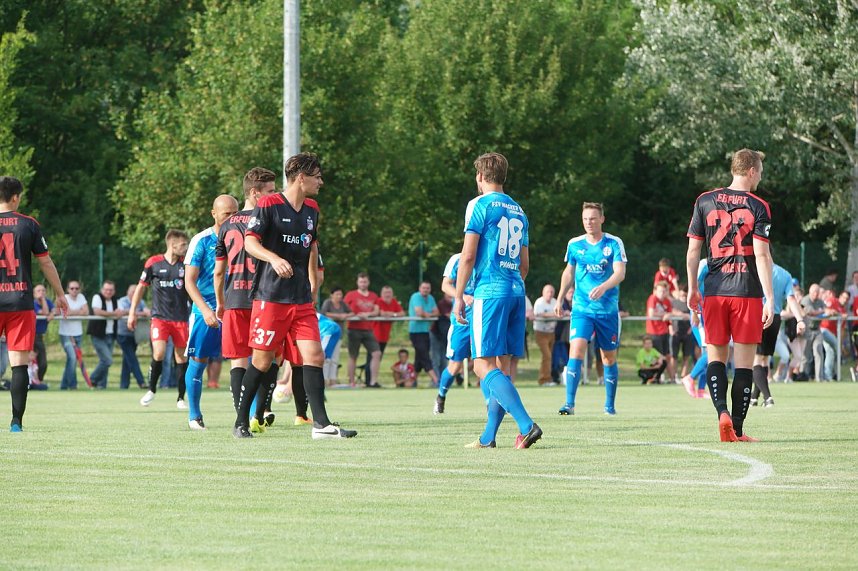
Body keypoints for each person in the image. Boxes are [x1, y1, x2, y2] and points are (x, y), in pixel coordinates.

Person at [233, 152, 355, 439]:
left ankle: (321, 425)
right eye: (317, 176)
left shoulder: (312, 209)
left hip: (300, 299)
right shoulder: (269, 204)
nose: (321, 182)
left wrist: (313, 281)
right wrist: (273, 259)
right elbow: (250, 243)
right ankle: (241, 421)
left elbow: (311, 247)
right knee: (262, 362)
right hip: (270, 297)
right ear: (301, 177)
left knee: (314, 354)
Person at [454, 152, 541, 449]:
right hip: (517, 290)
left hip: (490, 292)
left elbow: (467, 255)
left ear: (480, 177)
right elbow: (525, 264)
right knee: (501, 368)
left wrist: (458, 296)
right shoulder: (519, 210)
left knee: (481, 365)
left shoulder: (478, 205)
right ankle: (488, 438)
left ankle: (527, 425)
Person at [687, 148, 774, 442]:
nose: (761, 175)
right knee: (745, 364)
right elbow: (762, 255)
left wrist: (691, 288)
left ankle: (722, 412)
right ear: (750, 170)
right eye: (760, 170)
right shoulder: (759, 206)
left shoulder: (704, 200)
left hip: (713, 291)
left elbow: (692, 251)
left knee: (715, 357)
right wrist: (771, 299)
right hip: (746, 291)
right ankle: (736, 428)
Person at [0, 176, 68, 432]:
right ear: (16, 197)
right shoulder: (28, 224)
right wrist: (60, 293)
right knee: (19, 364)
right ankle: (16, 422)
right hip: (20, 302)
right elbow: (45, 262)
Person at [214, 166, 276, 417]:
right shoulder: (270, 219)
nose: (275, 195)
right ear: (254, 192)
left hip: (235, 299)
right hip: (264, 297)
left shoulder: (226, 225)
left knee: (238, 359)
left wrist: (220, 302)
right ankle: (259, 413)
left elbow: (219, 272)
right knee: (267, 358)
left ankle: (242, 415)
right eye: (270, 191)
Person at [556, 202, 627, 415]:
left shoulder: (614, 243)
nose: (589, 222)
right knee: (576, 350)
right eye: (586, 218)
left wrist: (604, 287)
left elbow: (620, 273)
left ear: (602, 219)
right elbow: (568, 272)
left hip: (607, 311)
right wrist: (560, 298)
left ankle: (609, 406)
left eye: (593, 218)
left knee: (608, 357)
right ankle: (569, 403)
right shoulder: (575, 244)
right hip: (582, 309)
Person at [182, 194, 238, 430]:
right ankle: (194, 415)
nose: (232, 218)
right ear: (214, 214)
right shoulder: (201, 240)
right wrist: (205, 310)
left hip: (237, 307)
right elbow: (189, 281)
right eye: (227, 214)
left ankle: (252, 415)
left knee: (246, 359)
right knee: (199, 359)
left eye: (236, 213)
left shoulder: (245, 238)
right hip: (207, 309)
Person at [128, 229, 191, 408]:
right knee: (159, 352)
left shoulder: (185, 265)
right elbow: (140, 288)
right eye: (183, 245)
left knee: (181, 358)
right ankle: (151, 390)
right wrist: (132, 312)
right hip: (159, 318)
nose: (185, 248)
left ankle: (181, 398)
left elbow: (192, 288)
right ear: (172, 244)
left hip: (180, 318)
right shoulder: (154, 263)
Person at [751, 262, 805, 406]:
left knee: (757, 359)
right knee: (764, 359)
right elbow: (791, 299)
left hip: (759, 315)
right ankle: (754, 397)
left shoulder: (756, 268)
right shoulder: (784, 274)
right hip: (775, 318)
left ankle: (768, 398)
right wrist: (800, 319)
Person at [434, 253, 473, 414]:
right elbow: (445, 285)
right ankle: (441, 396)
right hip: (461, 319)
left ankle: (492, 405)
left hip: (484, 316)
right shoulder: (457, 259)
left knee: (484, 362)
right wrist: (462, 296)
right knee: (455, 365)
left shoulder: (489, 254)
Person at [344, 273, 382, 387]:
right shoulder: (351, 295)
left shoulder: (373, 296)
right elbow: (343, 308)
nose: (363, 284)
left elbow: (377, 311)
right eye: (361, 282)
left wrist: (367, 314)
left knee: (376, 353)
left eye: (365, 282)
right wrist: (353, 315)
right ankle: (352, 382)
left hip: (368, 329)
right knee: (353, 355)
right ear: (357, 282)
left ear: (368, 282)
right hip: (354, 328)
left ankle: (373, 381)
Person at [87, 280, 121, 389]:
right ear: (102, 290)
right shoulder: (97, 297)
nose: (108, 292)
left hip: (111, 334)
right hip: (97, 334)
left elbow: (122, 312)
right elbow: (97, 311)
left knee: (105, 362)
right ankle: (92, 379)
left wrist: (118, 313)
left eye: (111, 290)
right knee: (108, 360)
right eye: (106, 289)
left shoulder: (116, 300)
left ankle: (102, 385)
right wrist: (113, 314)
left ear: (114, 291)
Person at [368, 285, 404, 383]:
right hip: (375, 334)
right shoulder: (378, 301)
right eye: (385, 293)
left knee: (378, 358)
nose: (387, 295)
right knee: (372, 358)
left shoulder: (394, 302)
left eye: (389, 293)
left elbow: (401, 313)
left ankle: (373, 380)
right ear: (381, 294)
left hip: (384, 336)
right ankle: (369, 381)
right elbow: (381, 313)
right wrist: (390, 313)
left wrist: (392, 314)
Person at [58, 280, 88, 390]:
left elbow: (86, 312)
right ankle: (72, 384)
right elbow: (66, 313)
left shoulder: (81, 297)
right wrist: (77, 311)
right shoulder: (64, 298)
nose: (74, 290)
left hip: (78, 333)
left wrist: (72, 312)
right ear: (67, 289)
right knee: (72, 357)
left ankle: (64, 385)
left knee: (72, 359)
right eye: (72, 288)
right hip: (66, 333)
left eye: (76, 288)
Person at [800, 284, 835, 381]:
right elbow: (810, 312)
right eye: (814, 292)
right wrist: (823, 311)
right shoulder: (805, 300)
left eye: (817, 292)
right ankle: (802, 376)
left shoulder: (820, 302)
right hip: (807, 330)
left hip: (817, 330)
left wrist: (829, 311)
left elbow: (827, 310)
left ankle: (819, 378)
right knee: (806, 356)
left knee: (819, 353)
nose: (815, 294)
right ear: (810, 292)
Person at [116, 284, 148, 389]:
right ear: (127, 292)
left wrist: (133, 312)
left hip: (134, 335)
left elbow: (147, 312)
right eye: (132, 291)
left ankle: (124, 385)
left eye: (136, 292)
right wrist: (139, 313)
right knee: (132, 358)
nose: (134, 294)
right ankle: (141, 381)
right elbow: (121, 312)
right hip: (123, 334)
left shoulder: (141, 302)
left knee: (127, 359)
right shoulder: (122, 301)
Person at [408, 280, 439, 387]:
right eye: (424, 288)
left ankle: (412, 381)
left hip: (425, 331)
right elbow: (419, 312)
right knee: (425, 355)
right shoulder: (415, 297)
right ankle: (436, 380)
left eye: (427, 288)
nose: (426, 290)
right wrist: (430, 315)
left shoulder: (431, 298)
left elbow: (437, 312)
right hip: (415, 331)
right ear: (419, 288)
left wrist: (426, 315)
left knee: (419, 357)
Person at [319, 286, 353, 384]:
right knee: (326, 357)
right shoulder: (328, 303)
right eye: (337, 294)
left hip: (338, 335)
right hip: (327, 334)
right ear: (332, 295)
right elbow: (324, 313)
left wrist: (345, 316)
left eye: (340, 294)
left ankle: (333, 379)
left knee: (335, 358)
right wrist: (338, 316)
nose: (339, 296)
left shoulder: (343, 304)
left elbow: (351, 313)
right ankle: (324, 379)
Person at [646, 281, 674, 381]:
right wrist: (664, 315)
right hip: (654, 332)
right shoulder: (652, 298)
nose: (662, 293)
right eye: (660, 291)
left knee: (668, 356)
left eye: (664, 291)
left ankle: (672, 378)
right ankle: (656, 377)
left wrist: (669, 316)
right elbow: (651, 314)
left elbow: (670, 314)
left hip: (664, 332)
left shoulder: (667, 301)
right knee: (658, 357)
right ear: (656, 291)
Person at [533, 284, 558, 386]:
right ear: (543, 293)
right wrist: (554, 314)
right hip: (541, 332)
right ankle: (544, 379)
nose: (550, 294)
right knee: (547, 355)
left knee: (548, 357)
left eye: (552, 292)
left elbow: (559, 312)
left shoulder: (555, 302)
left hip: (551, 332)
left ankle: (546, 378)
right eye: (548, 292)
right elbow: (540, 314)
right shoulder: (539, 302)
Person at [32, 284, 54, 385]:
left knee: (43, 363)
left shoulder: (48, 301)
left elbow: (54, 310)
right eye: (39, 291)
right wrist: (48, 313)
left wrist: (52, 314)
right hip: (31, 335)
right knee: (31, 360)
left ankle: (39, 381)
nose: (41, 293)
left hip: (39, 335)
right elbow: (45, 312)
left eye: (43, 290)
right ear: (34, 294)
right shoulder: (33, 304)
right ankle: (33, 381)